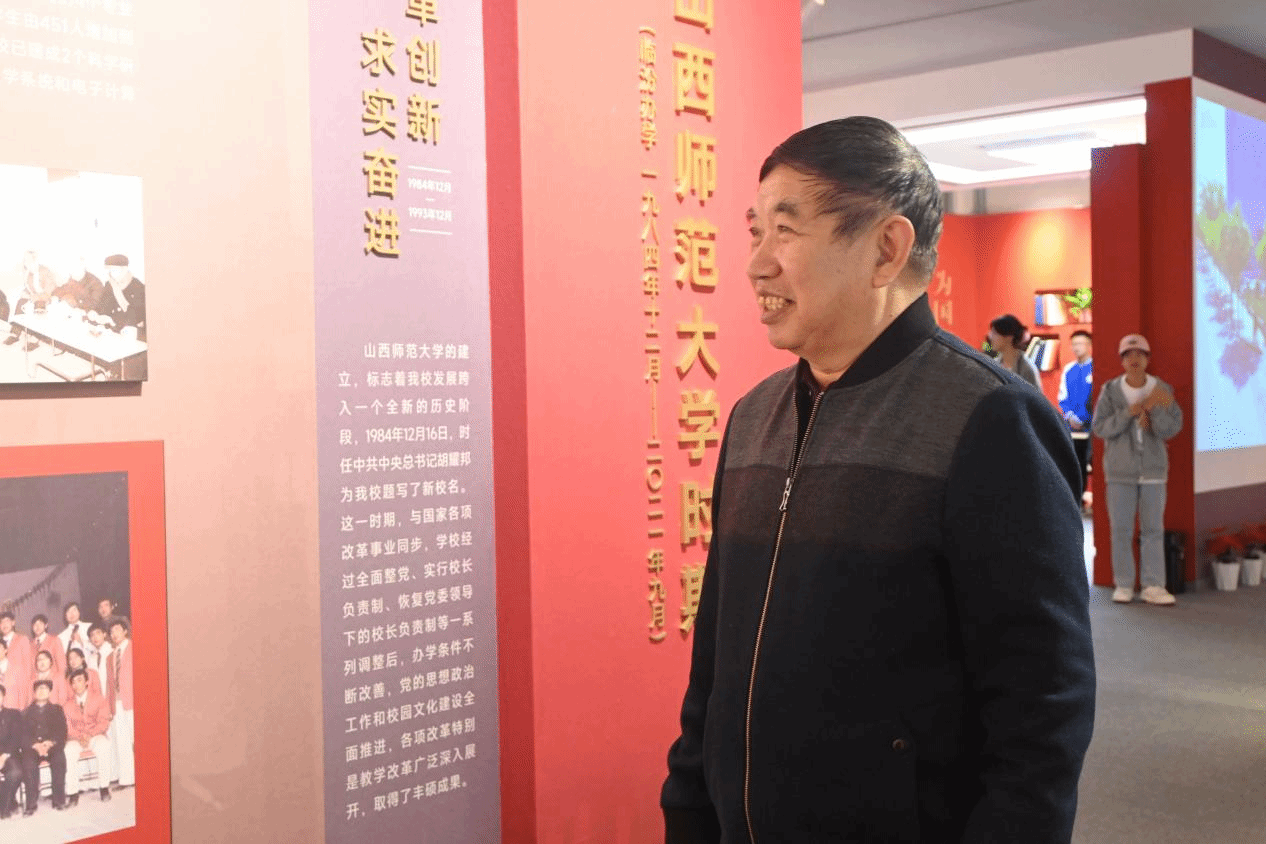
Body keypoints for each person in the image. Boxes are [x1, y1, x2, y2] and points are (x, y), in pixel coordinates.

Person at [661, 117, 1095, 843]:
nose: (757, 264)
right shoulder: (753, 417)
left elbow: (1041, 710)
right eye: (755, 232)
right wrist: (687, 808)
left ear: (886, 249)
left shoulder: (988, 419)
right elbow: (715, 661)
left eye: (786, 231)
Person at [1092, 333, 1184, 605]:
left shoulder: (1161, 390)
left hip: (1154, 471)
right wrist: (1128, 413)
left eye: (1140, 354)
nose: (1134, 359)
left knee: (1153, 529)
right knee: (1121, 530)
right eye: (1128, 355)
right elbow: (1100, 428)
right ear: (1121, 360)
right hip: (1120, 471)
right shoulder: (1110, 391)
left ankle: (1153, 585)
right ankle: (1124, 584)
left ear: (1148, 359)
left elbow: (1172, 427)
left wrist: (1152, 414)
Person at [62, 668, 112, 806]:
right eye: (73, 682)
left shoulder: (99, 699)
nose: (76, 684)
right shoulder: (67, 705)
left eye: (79, 680)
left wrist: (90, 735)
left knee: (104, 746)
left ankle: (104, 788)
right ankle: (73, 793)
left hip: (95, 735)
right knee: (68, 751)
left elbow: (104, 722)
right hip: (76, 738)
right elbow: (67, 727)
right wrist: (80, 737)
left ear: (87, 682)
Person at [20, 678, 67, 814]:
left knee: (59, 759)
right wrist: (35, 745)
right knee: (28, 763)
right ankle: (31, 804)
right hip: (33, 747)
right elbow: (22, 735)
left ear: (50, 692)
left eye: (45, 689)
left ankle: (59, 800)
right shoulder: (25, 712)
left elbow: (62, 731)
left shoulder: (57, 710)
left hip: (51, 745)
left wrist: (50, 743)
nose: (41, 691)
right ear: (34, 693)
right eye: (38, 689)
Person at [1059, 330, 1094, 511]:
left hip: (1093, 429)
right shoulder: (1068, 369)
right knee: (1074, 465)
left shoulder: (1096, 368)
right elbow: (1062, 398)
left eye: (1080, 343)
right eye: (1074, 344)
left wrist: (1085, 419)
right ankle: (1076, 501)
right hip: (1072, 429)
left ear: (1089, 345)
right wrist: (1070, 417)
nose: (1076, 347)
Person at [106, 617, 133, 789]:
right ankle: (127, 778)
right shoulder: (110, 657)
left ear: (125, 631)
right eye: (111, 631)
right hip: (117, 703)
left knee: (139, 739)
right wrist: (110, 707)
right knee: (122, 742)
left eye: (117, 629)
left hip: (134, 701)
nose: (114, 634)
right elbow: (109, 684)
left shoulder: (134, 648)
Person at [94, 255, 145, 340]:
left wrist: (112, 320)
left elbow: (136, 316)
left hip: (127, 332)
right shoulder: (109, 284)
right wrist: (97, 315)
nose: (112, 274)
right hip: (110, 330)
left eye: (115, 270)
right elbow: (103, 305)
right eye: (110, 270)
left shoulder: (138, 287)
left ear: (124, 269)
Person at [987, 314, 1042, 389]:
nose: (990, 336)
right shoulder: (993, 365)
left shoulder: (1027, 369)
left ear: (1008, 337)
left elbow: (1036, 395)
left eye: (994, 333)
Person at [0, 613, 30, 711]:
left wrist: (25, 696)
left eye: (7, 621)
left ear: (13, 623)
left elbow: (28, 668)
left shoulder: (22, 639)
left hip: (16, 693)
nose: (4, 624)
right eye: (1, 622)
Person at [0, 683, 21, 819]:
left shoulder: (13, 714)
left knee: (15, 772)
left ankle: (4, 808)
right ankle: (10, 801)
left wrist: (3, 757)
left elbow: (16, 738)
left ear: (3, 697)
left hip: (9, 755)